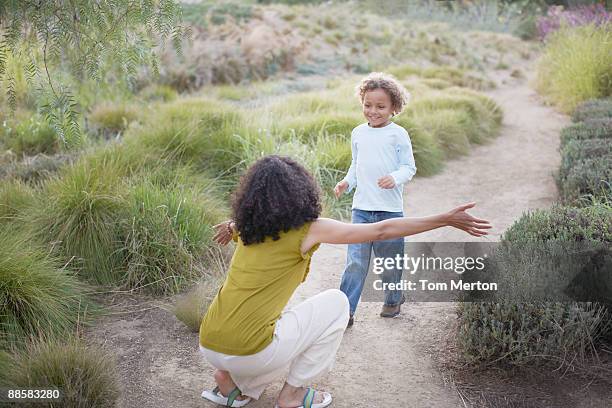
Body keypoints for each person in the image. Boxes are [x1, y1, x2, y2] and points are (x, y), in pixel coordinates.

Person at [199, 155, 491, 408]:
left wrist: (232, 225)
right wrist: (445, 219)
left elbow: (234, 224)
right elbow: (381, 230)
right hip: (250, 351)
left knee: (279, 319)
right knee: (338, 303)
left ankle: (229, 384)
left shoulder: (248, 229)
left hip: (209, 343)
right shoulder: (308, 230)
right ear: (300, 191)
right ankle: (292, 396)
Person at [334, 72, 415, 327]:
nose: (373, 111)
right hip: (361, 210)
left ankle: (393, 298)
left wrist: (395, 177)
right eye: (368, 105)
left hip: (389, 211)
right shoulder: (358, 133)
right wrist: (347, 182)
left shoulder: (398, 134)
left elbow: (409, 167)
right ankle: (344, 312)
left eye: (381, 106)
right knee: (355, 263)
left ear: (393, 107)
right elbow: (356, 165)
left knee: (389, 264)